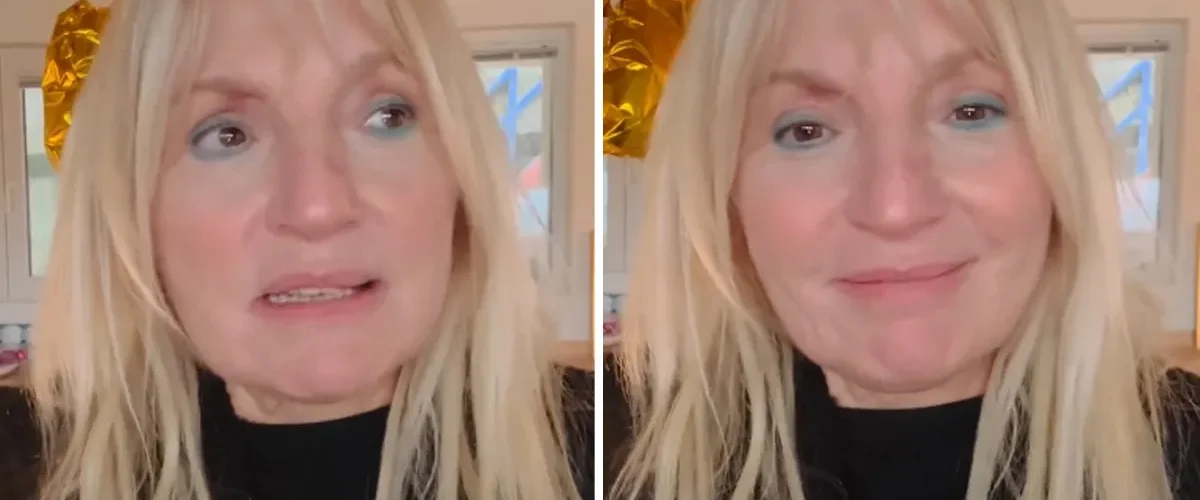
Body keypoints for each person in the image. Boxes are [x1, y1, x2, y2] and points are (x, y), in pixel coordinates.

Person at [603, 0, 1200, 499]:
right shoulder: (606, 447)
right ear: (726, 192)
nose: (895, 207)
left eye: (970, 112)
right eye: (806, 130)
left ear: (1059, 160)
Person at [0, 0, 591, 499]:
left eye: (387, 115)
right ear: (135, 214)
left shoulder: (607, 445)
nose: (317, 207)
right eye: (227, 134)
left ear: (461, 179)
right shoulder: (26, 466)